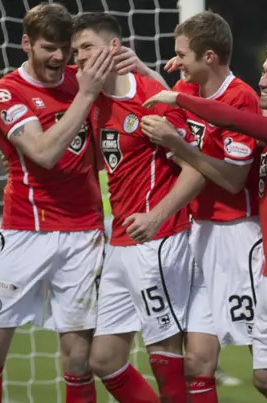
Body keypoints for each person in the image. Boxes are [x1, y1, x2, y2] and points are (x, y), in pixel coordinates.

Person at [144, 40, 267, 403]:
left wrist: (180, 98)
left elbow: (234, 116)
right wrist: (190, 74)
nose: (261, 82)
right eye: (263, 71)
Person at [0, 4, 113, 402]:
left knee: (79, 359)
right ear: (26, 44)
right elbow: (44, 153)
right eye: (48, 47)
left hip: (83, 234)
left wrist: (133, 66)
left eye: (64, 49)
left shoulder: (82, 78)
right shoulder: (4, 91)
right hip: (24, 232)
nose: (58, 57)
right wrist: (85, 96)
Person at [70, 13, 208, 403]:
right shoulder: (90, 100)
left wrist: (156, 216)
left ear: (115, 48)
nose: (79, 57)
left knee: (164, 361)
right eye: (75, 50)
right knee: (103, 360)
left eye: (88, 47)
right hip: (121, 243)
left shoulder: (150, 98)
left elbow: (196, 170)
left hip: (158, 242)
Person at [140, 11, 263, 401]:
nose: (176, 62)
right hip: (199, 234)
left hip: (238, 236)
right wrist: (140, 68)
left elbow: (232, 179)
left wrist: (178, 146)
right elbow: (164, 107)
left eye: (182, 54)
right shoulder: (186, 90)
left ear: (209, 57)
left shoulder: (241, 98)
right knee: (197, 362)